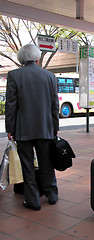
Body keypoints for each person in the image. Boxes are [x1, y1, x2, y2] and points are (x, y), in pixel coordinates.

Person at [5, 44, 59, 211]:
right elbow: (54, 106)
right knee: (46, 163)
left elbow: (11, 106)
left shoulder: (14, 75)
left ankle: (33, 200)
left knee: (27, 166)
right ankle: (51, 195)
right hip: (45, 128)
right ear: (37, 58)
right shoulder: (50, 77)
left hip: (23, 130)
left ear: (21, 59)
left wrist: (10, 128)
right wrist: (55, 127)